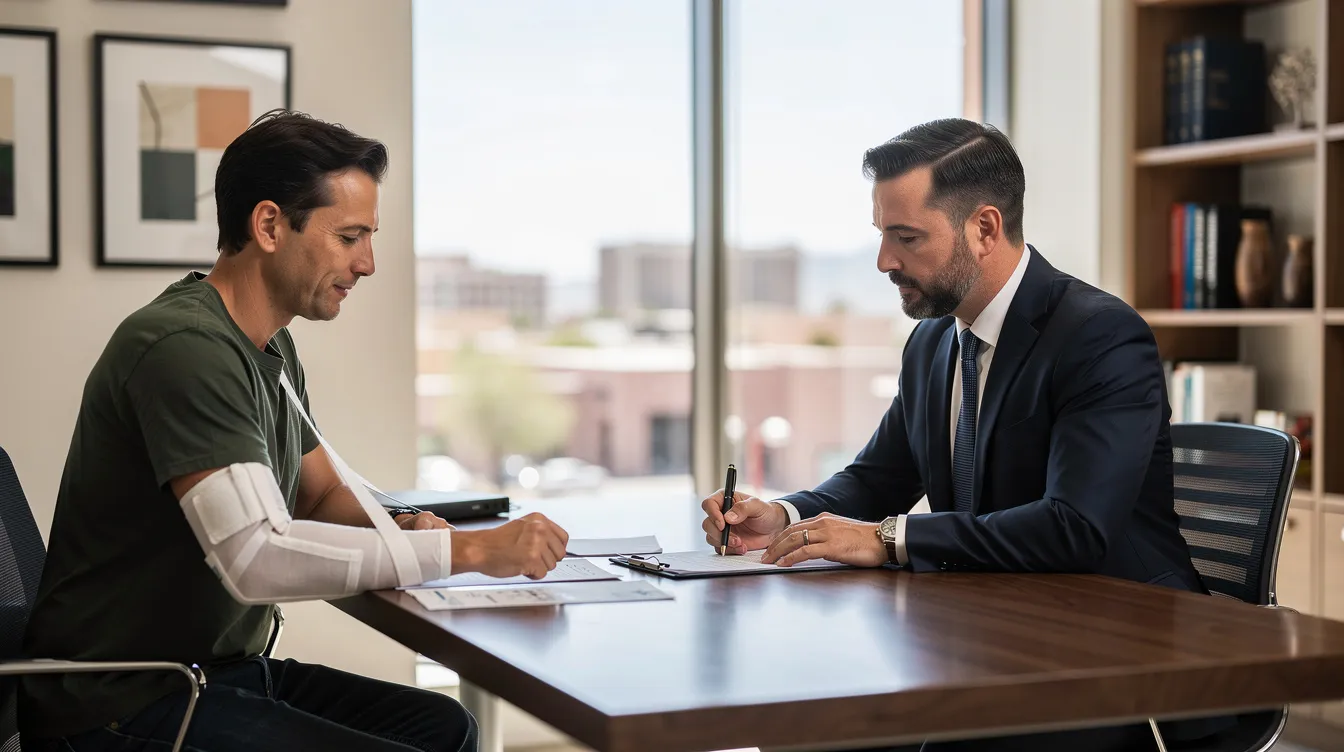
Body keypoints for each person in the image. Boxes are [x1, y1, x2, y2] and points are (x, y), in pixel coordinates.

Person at [20, 110, 570, 751]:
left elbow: (317, 495)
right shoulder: (183, 346)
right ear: (271, 225)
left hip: (217, 676)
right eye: (349, 237)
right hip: (122, 701)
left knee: (445, 728)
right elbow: (255, 557)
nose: (367, 263)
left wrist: (404, 524)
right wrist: (473, 553)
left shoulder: (267, 348)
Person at [700, 118, 1222, 752]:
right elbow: (880, 476)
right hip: (987, 632)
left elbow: (1075, 527)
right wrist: (784, 517)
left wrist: (890, 540)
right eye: (882, 235)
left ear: (984, 229)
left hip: (1113, 651)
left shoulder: (1100, 336)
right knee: (808, 724)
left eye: (907, 237)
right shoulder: (933, 342)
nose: (884, 261)